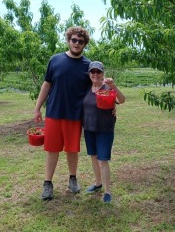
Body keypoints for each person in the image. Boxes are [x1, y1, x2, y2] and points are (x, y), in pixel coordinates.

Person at [34, 27, 92, 200]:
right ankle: (47, 184)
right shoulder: (55, 60)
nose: (76, 43)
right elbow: (46, 85)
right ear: (68, 40)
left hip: (75, 115)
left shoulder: (88, 66)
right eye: (74, 40)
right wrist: (37, 107)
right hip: (54, 112)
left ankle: (73, 179)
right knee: (52, 149)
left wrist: (112, 104)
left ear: (84, 44)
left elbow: (94, 90)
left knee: (72, 149)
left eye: (80, 41)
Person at [83, 61, 125, 203]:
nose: (95, 74)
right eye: (93, 72)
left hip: (104, 129)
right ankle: (97, 183)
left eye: (98, 72)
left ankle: (107, 191)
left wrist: (113, 86)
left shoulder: (107, 88)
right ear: (89, 74)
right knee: (94, 157)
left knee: (103, 160)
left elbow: (122, 100)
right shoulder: (86, 88)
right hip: (89, 128)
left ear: (103, 73)